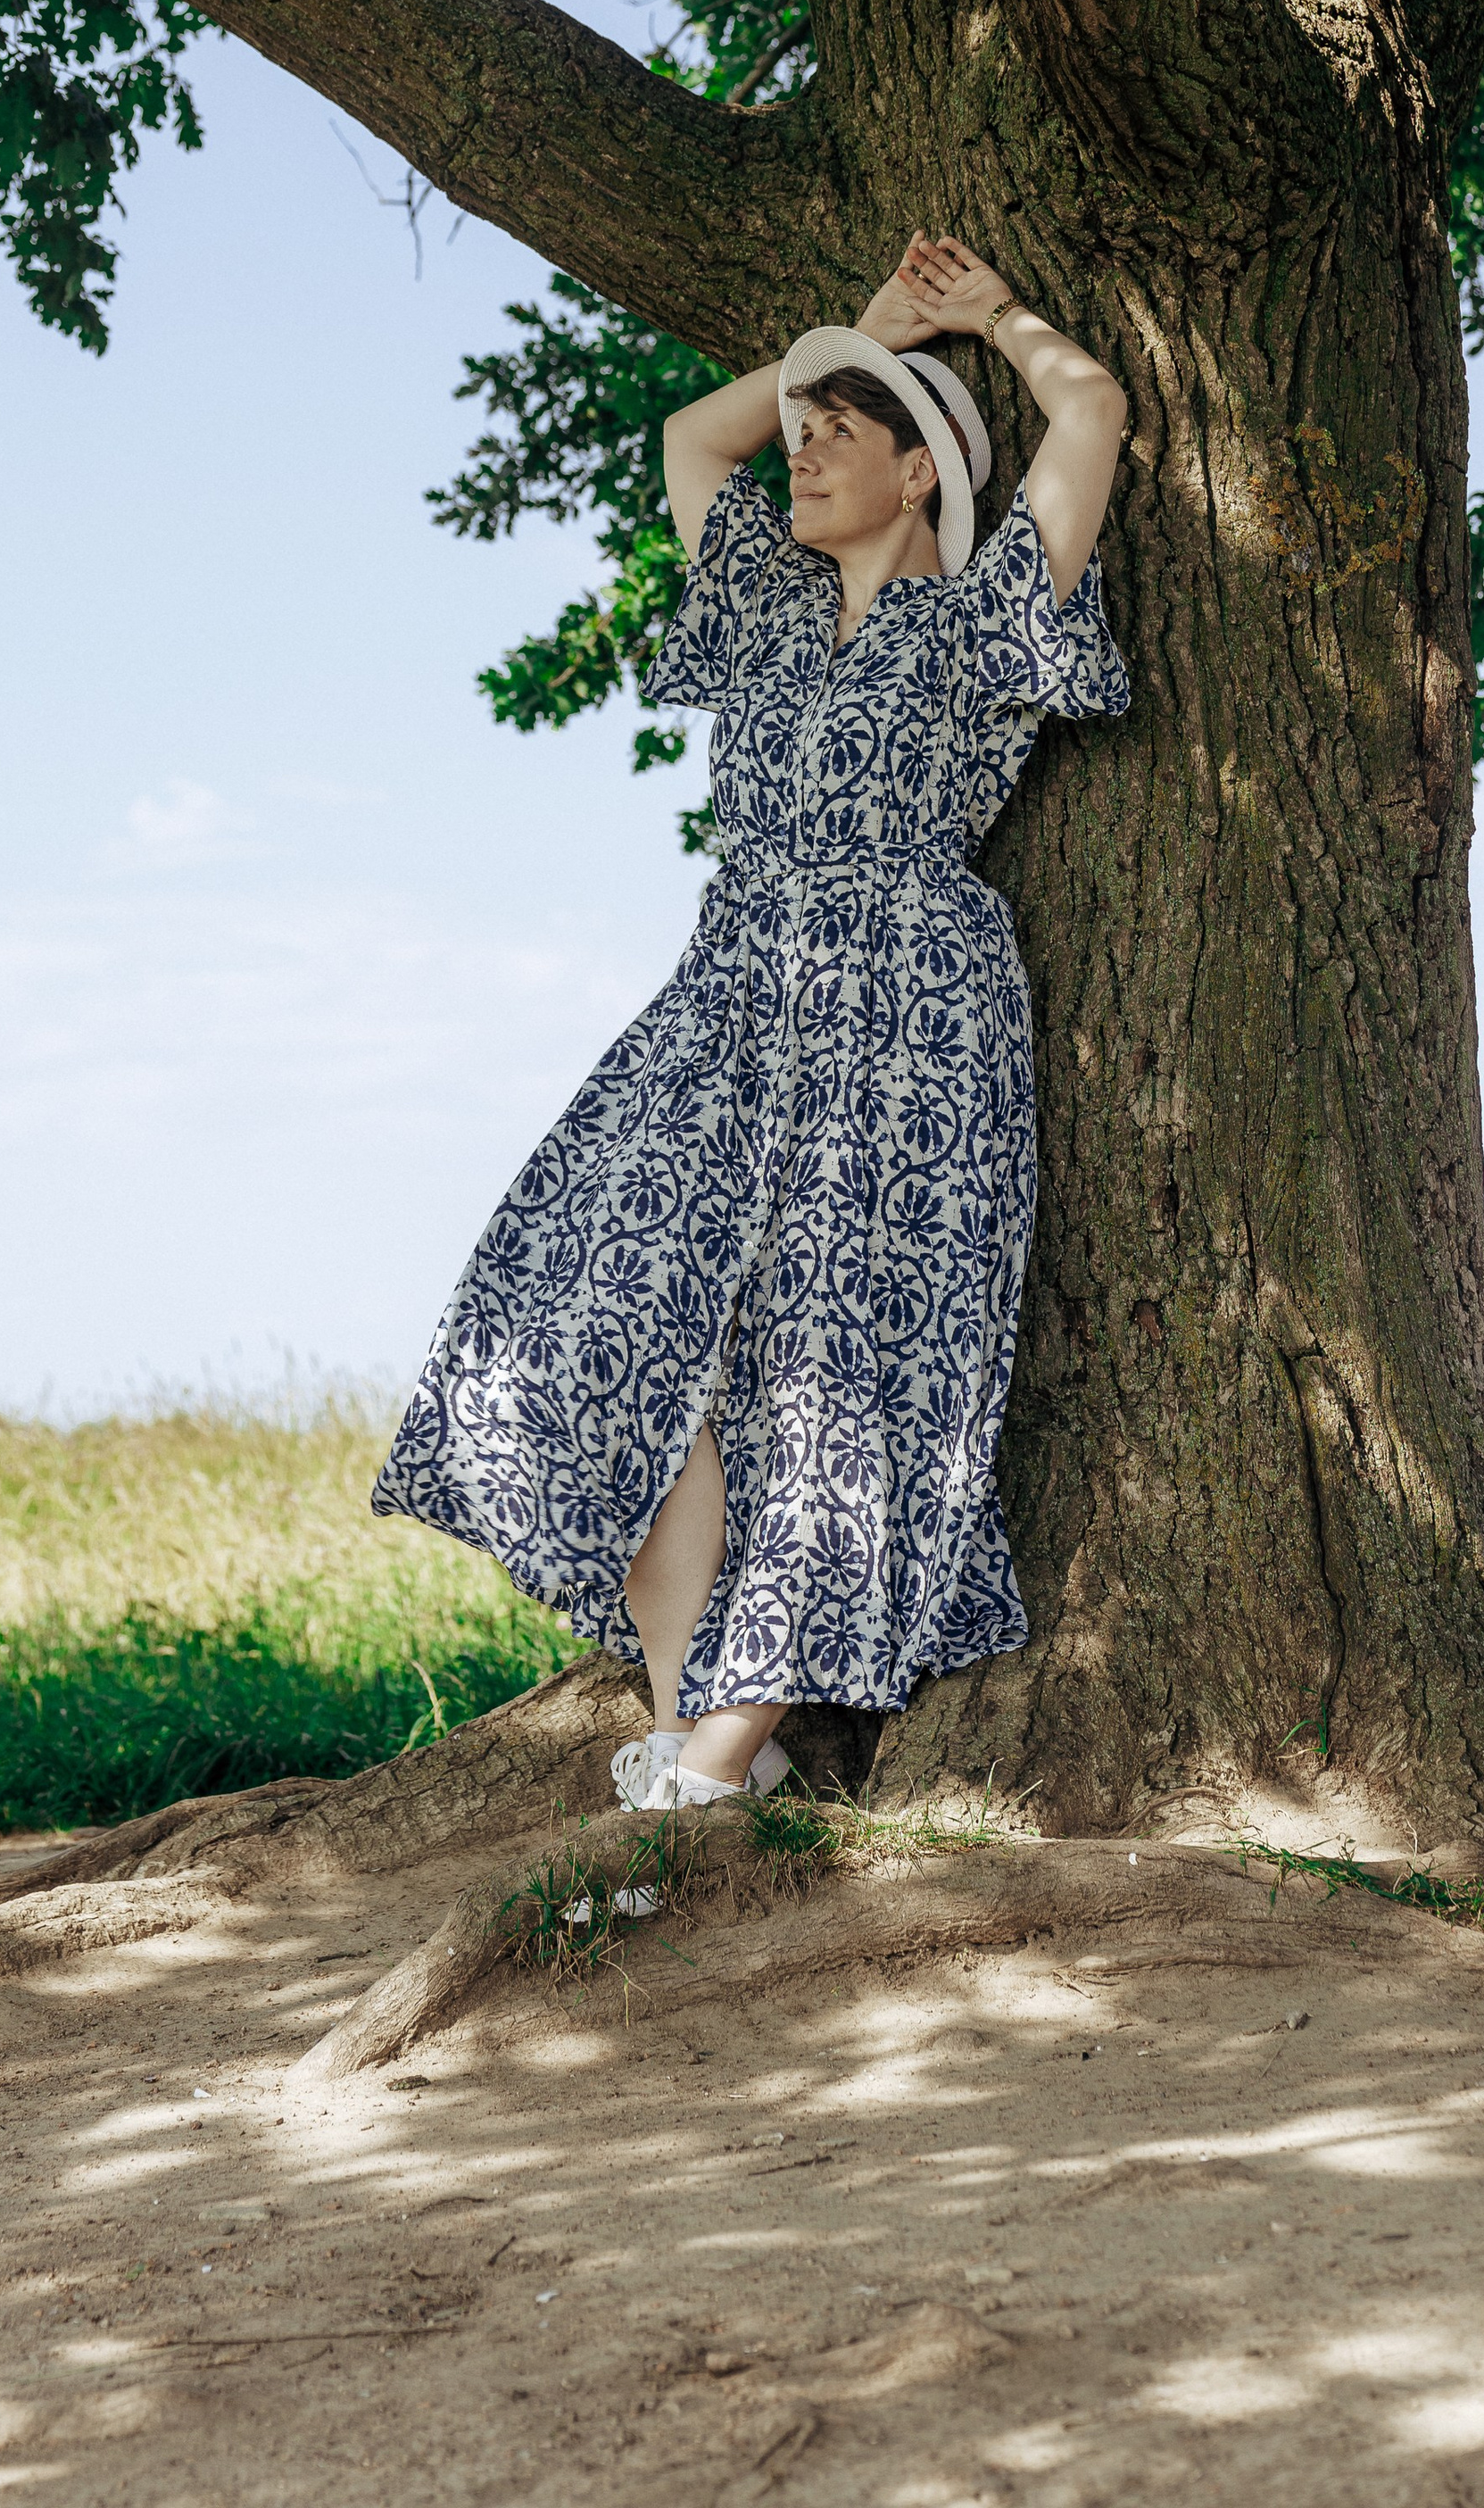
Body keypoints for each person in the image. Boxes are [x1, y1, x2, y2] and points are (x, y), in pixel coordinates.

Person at [371, 233, 1130, 1807]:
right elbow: (690, 439)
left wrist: (992, 321)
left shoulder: (988, 620)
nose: (802, 449)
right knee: (598, 1320)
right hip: (730, 998)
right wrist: (860, 340)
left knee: (835, 1376)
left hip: (905, 1014)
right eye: (808, 430)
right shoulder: (770, 618)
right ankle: (703, 1735)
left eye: (843, 434)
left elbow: (1093, 415)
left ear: (921, 476)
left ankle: (710, 1773)